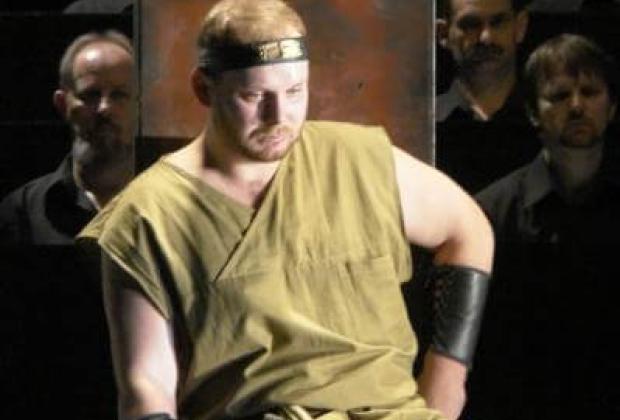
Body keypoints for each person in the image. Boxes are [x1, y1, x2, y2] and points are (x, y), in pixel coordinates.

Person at [80, 1, 494, 419]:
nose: (278, 116)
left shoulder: (357, 159)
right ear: (204, 88)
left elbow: (469, 229)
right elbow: (147, 384)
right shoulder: (149, 215)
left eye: (294, 92)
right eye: (254, 96)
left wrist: (447, 380)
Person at [469, 33, 620, 418]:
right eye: (559, 95)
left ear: (612, 107)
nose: (577, 106)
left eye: (590, 92)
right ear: (534, 112)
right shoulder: (490, 213)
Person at [0, 30, 135, 245]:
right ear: (62, 105)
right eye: (90, 95)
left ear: (141, 104)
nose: (104, 108)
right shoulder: (23, 213)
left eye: (119, 95)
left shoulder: (172, 205)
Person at [435, 0, 540, 193]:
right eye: (470, 25)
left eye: (498, 22)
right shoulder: (420, 127)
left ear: (520, 27)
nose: (486, 38)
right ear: (443, 34)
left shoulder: (549, 121)